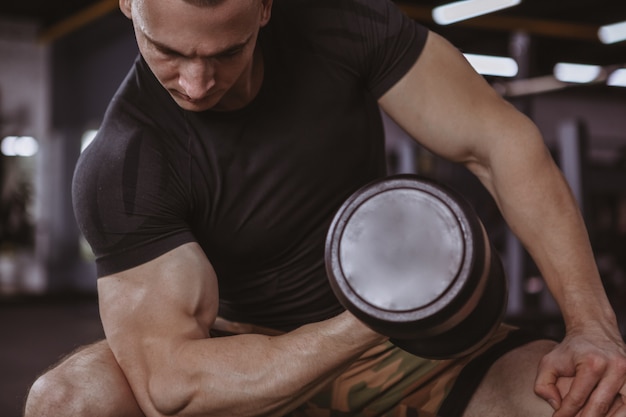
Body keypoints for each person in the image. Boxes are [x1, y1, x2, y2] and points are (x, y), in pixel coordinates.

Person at [24, 0, 626, 416]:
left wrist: (591, 327)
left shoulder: (343, 25)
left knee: (602, 401)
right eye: (169, 52)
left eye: (226, 53)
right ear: (129, 4)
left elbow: (499, 145)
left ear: (265, 8)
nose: (198, 83)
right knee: (68, 402)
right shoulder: (124, 166)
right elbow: (173, 387)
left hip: (408, 354)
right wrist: (382, 311)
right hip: (241, 359)